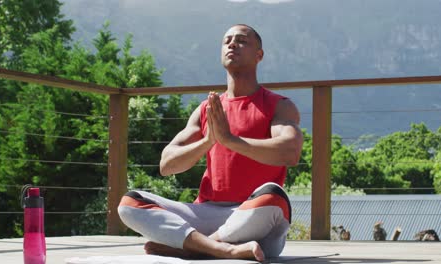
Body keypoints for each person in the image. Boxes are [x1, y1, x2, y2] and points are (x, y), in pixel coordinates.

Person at [118, 24, 303, 262]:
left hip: (253, 214)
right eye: (227, 40)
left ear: (259, 55)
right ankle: (221, 248)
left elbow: (290, 152)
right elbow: (167, 164)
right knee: (130, 203)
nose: (232, 44)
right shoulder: (207, 109)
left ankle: (192, 246)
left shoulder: (279, 105)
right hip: (206, 212)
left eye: (242, 41)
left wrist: (230, 141)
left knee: (274, 197)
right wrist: (208, 141)